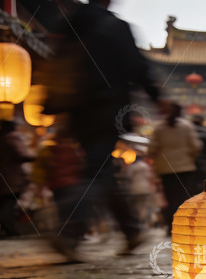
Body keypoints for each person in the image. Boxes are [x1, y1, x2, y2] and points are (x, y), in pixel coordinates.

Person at [44, 0, 166, 256]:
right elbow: (137, 67)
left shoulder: (71, 22)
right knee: (98, 172)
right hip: (108, 109)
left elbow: (58, 63)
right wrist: (158, 96)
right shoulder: (115, 27)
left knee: (102, 168)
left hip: (77, 111)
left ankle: (132, 231)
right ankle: (70, 228)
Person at [148, 103, 202, 231]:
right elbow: (195, 146)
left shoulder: (159, 128)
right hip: (185, 168)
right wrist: (189, 157)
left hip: (165, 168)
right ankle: (182, 225)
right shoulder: (187, 127)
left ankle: (170, 225)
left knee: (169, 197)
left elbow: (152, 149)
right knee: (183, 197)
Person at [0, 120, 36, 237]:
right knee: (8, 203)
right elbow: (23, 155)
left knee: (2, 202)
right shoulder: (13, 137)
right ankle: (8, 228)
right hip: (12, 177)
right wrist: (35, 154)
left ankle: (5, 228)